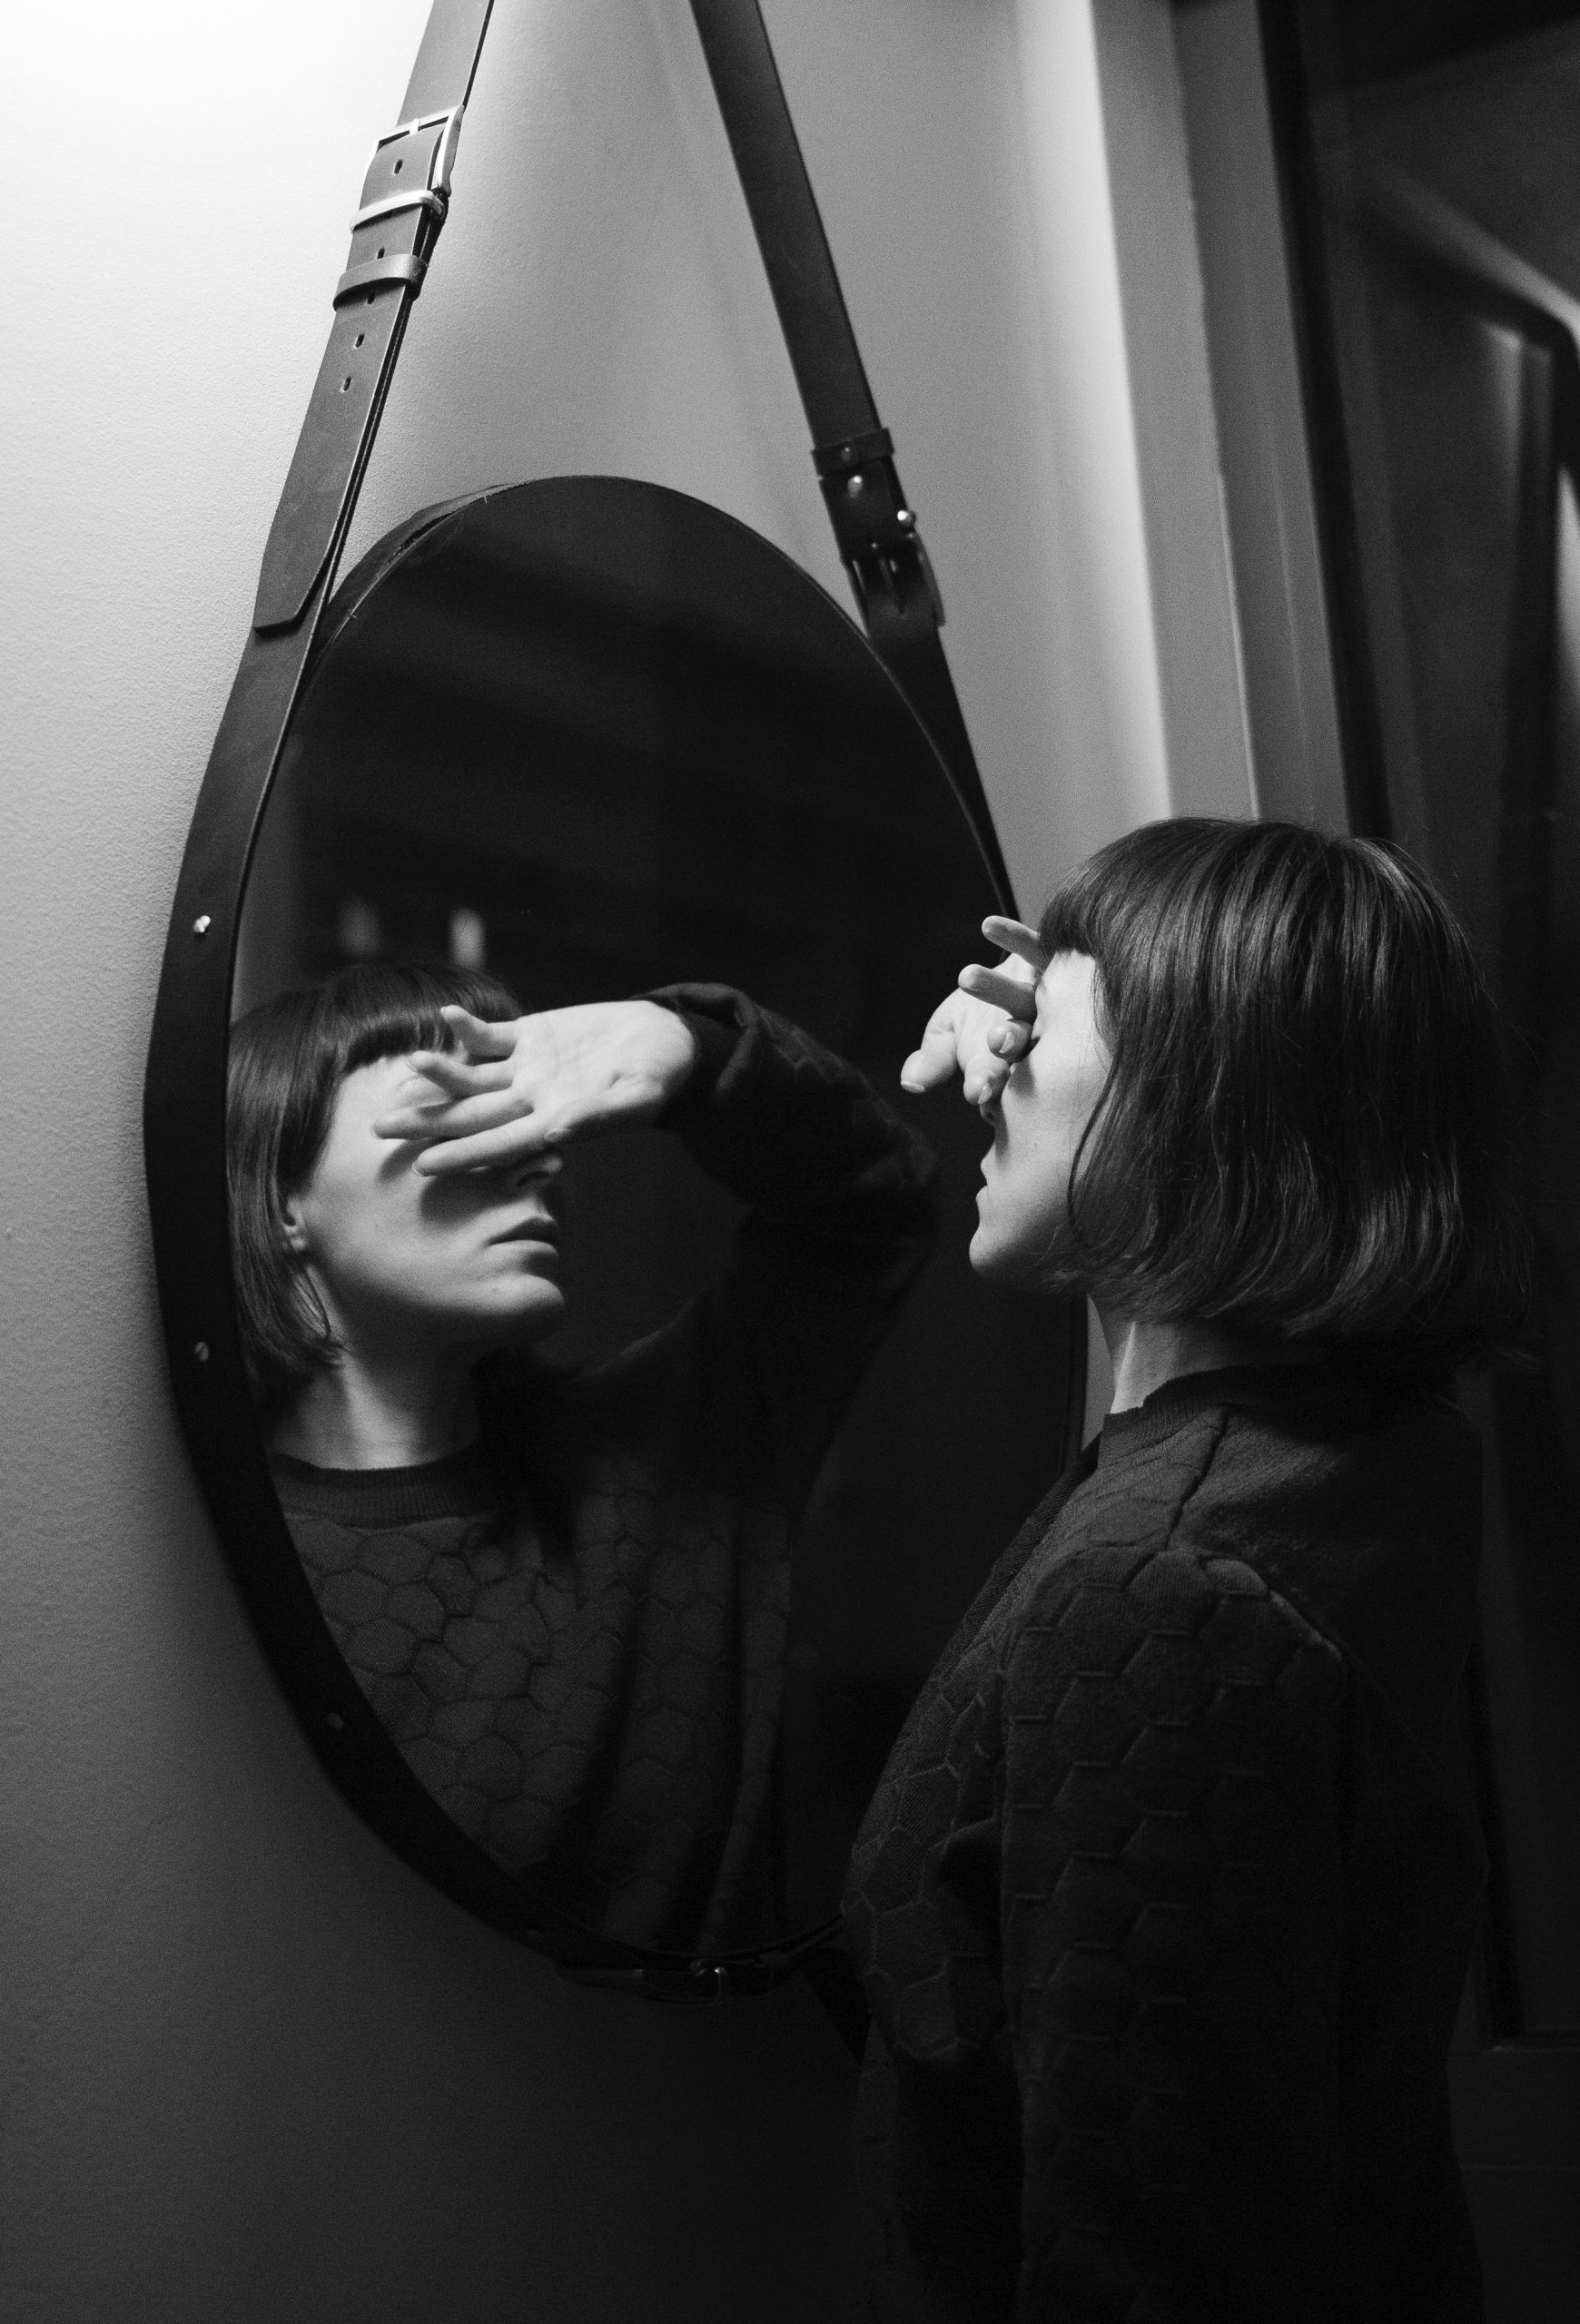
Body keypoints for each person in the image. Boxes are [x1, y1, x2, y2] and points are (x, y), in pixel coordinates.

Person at [843, 819, 1526, 2322]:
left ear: (1194, 1094)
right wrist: (1096, 997)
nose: (991, 1062)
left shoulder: (1161, 1592)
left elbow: (1147, 2261)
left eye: (1043, 1029)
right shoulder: (1352, 1470)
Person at [228, 967, 936, 1953]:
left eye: (528, 1114)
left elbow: (871, 1205)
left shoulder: (657, 1468)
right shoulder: (203, 1563)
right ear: (283, 1197)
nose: (533, 1159)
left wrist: (690, 1051)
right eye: (458, 1108)